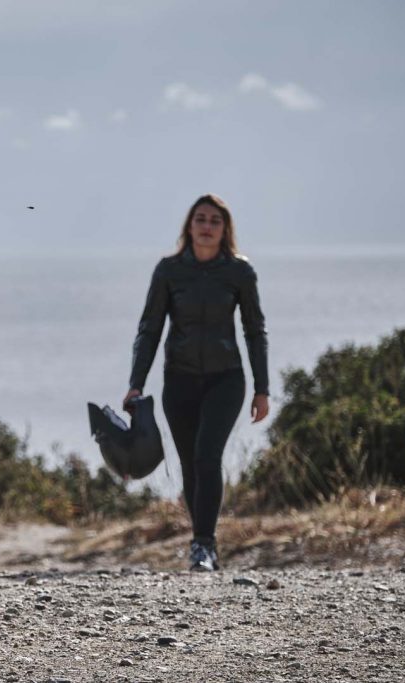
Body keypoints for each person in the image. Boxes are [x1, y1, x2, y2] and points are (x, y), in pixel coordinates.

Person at [124, 194, 269, 572]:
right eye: (200, 219)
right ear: (189, 226)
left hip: (226, 379)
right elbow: (150, 329)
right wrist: (136, 384)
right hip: (180, 379)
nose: (207, 227)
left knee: (208, 455)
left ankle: (204, 544)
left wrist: (262, 388)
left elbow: (255, 331)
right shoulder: (169, 271)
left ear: (225, 230)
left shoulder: (240, 272)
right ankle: (199, 541)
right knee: (190, 463)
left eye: (214, 221)